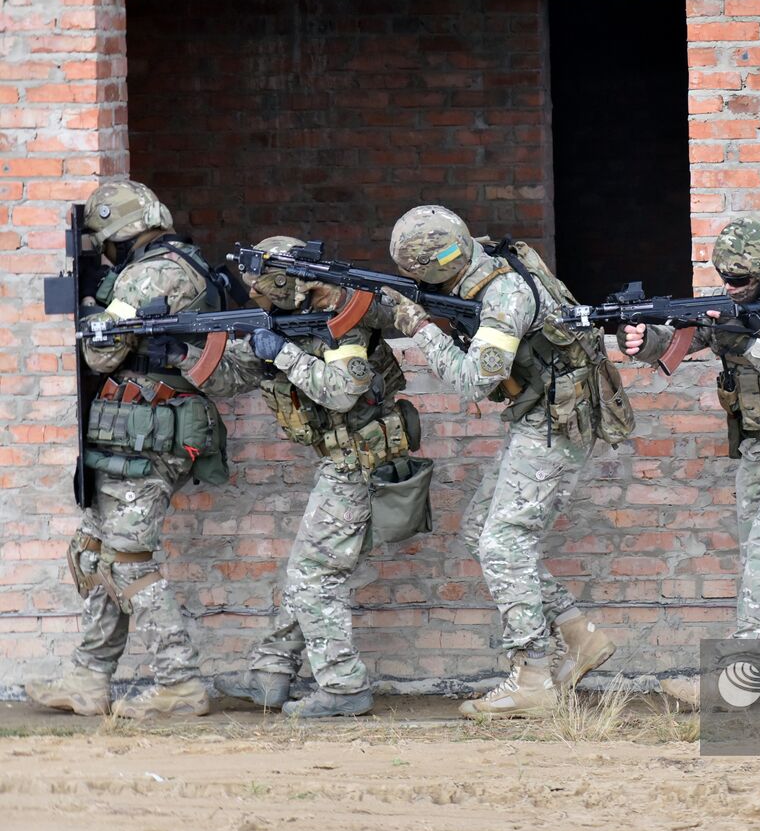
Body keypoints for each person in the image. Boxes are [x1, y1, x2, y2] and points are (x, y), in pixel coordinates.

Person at [380, 205, 619, 717]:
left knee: (504, 541)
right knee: (480, 532)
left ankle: (531, 676)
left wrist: (420, 327)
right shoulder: (481, 261)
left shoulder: (503, 293)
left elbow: (473, 381)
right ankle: (579, 636)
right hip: (542, 414)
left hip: (559, 422)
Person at [619, 216, 760, 707]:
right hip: (759, 446)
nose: (728, 287)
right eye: (723, 276)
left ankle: (732, 681)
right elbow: (681, 341)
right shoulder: (728, 301)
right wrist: (644, 342)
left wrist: (748, 343)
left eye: (739, 280)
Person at [187, 236, 423, 717]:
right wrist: (179, 351)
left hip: (360, 462)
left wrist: (282, 354)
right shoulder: (286, 325)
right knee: (310, 571)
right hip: (342, 462)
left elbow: (341, 392)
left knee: (313, 576)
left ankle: (342, 686)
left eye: (264, 290)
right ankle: (271, 673)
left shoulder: (342, 321)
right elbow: (230, 376)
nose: (257, 299)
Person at [27, 180, 225, 719]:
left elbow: (102, 356)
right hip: (133, 432)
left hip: (150, 433)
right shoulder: (172, 263)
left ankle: (180, 683)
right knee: (98, 551)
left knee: (130, 562)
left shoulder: (150, 274)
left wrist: (89, 306)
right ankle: (89, 675)